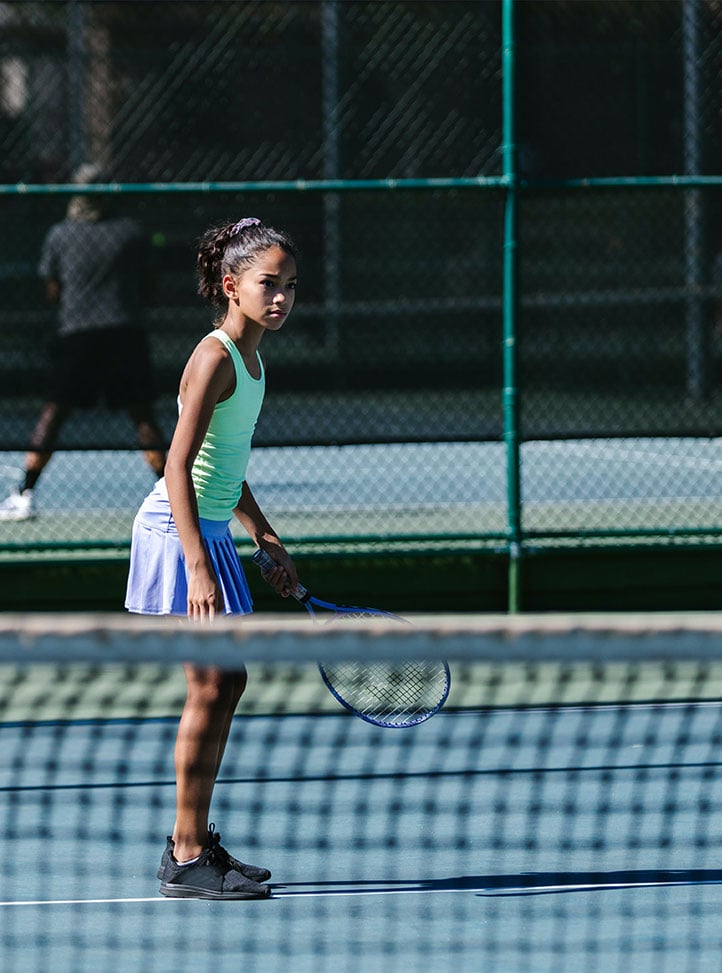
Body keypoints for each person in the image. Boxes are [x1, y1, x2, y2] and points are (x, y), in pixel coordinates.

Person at [125, 217, 299, 900]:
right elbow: (177, 463)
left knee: (226, 682)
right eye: (268, 284)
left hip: (212, 528)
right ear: (231, 285)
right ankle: (188, 851)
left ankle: (189, 841)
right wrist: (197, 560)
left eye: (290, 286)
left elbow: (225, 466)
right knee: (212, 683)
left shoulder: (254, 360)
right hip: (177, 531)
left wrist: (265, 536)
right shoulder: (216, 356)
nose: (281, 297)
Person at [0, 163, 166, 521]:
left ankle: (25, 492)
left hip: (78, 336)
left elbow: (53, 289)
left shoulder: (60, 234)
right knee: (143, 416)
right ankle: (173, 493)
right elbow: (150, 286)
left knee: (54, 414)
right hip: (125, 334)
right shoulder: (131, 233)